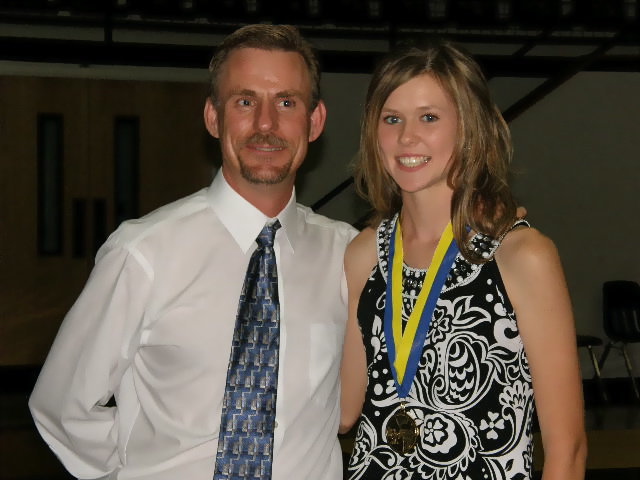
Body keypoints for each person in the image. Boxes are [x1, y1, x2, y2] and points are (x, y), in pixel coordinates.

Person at [29, 24, 357, 480]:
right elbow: (61, 405)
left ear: (315, 121)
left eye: (287, 102)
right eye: (245, 102)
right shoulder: (144, 252)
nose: (266, 123)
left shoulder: (349, 256)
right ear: (213, 117)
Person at [339, 40, 587, 480]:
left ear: (468, 127)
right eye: (391, 118)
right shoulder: (364, 253)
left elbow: (568, 452)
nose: (406, 136)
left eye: (429, 118)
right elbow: (341, 411)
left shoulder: (520, 256)